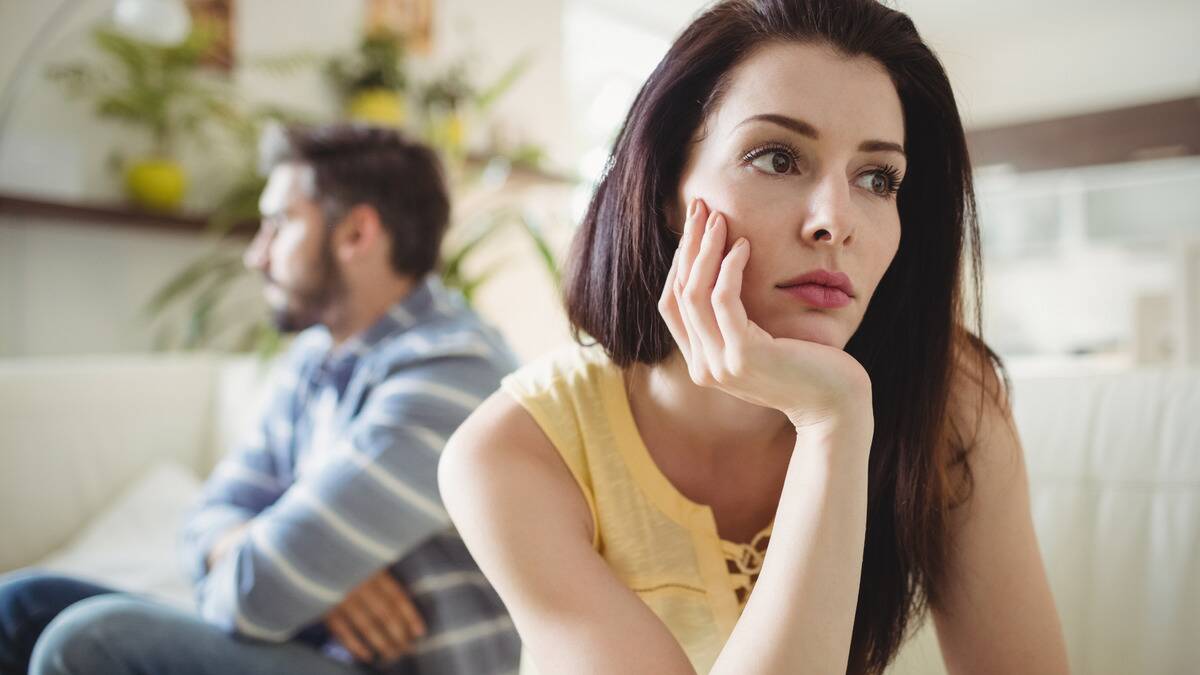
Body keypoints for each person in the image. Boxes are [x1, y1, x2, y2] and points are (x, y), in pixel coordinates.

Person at [437, 1, 1071, 673]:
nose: (835, 219)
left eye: (877, 178)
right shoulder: (512, 453)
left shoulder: (952, 401)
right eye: (777, 158)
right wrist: (834, 420)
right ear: (667, 191)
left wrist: (840, 413)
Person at [0, 124, 521, 675]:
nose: (256, 254)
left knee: (88, 642)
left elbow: (255, 595)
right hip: (304, 652)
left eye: (279, 223)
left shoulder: (451, 372)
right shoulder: (317, 357)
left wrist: (291, 571)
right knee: (20, 605)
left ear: (357, 234)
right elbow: (207, 516)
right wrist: (317, 575)